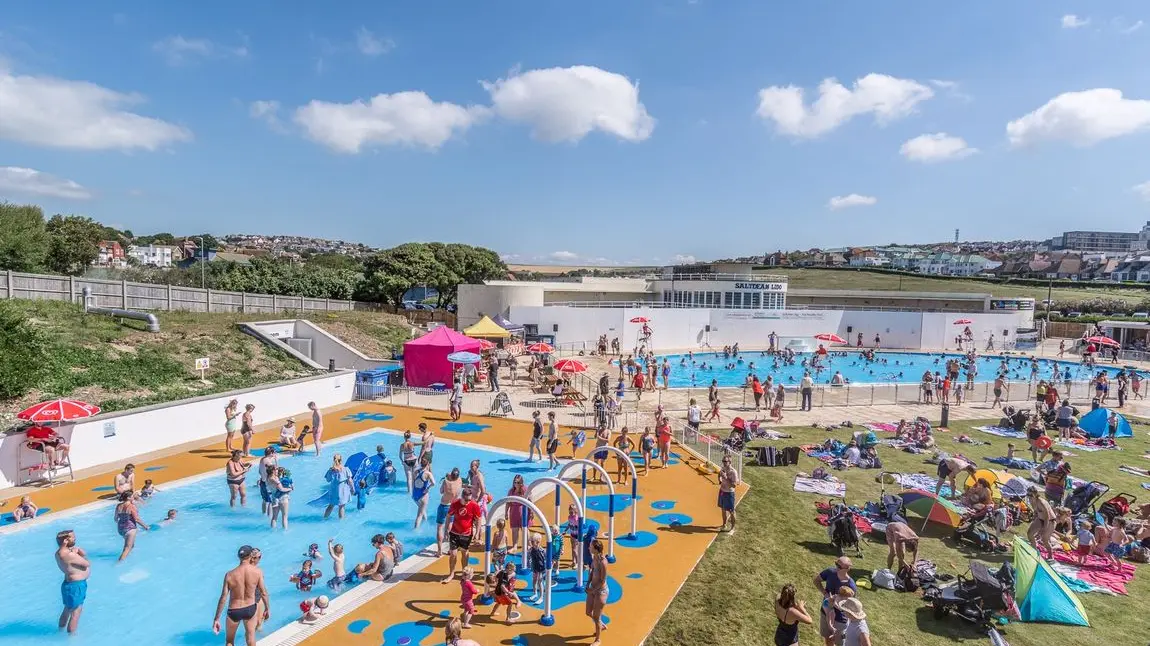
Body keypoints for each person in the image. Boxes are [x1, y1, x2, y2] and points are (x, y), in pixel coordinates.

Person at [213, 545, 269, 646]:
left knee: (230, 641)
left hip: (234, 611)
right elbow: (263, 592)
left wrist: (216, 618)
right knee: (251, 637)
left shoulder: (229, 575)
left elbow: (223, 597)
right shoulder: (257, 571)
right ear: (251, 555)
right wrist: (267, 609)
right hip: (250, 608)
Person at [813, 557, 855, 646]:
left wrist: (836, 603)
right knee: (828, 639)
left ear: (847, 569)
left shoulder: (851, 585)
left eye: (839, 566)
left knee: (840, 643)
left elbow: (851, 606)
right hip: (825, 612)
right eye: (836, 564)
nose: (836, 567)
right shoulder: (829, 572)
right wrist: (824, 593)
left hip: (840, 620)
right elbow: (816, 580)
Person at [55, 529, 89, 634]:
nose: (75, 538)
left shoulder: (58, 553)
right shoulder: (69, 555)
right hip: (76, 586)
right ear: (65, 540)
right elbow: (86, 563)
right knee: (76, 612)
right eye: (72, 537)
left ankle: (60, 632)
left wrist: (74, 552)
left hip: (68, 585)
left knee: (67, 609)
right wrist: (80, 554)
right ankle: (71, 639)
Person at [585, 538, 609, 646]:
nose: (588, 547)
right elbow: (592, 571)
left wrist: (592, 590)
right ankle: (601, 625)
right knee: (588, 612)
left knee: (596, 616)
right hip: (593, 589)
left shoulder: (603, 562)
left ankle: (598, 640)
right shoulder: (594, 557)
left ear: (595, 549)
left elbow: (602, 580)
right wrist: (587, 583)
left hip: (601, 591)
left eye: (590, 546)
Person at [436, 468, 464, 558]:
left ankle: (439, 551)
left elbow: (441, 491)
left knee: (440, 528)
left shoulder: (446, 482)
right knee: (449, 530)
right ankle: (449, 549)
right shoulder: (459, 481)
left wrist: (446, 478)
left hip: (444, 505)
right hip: (452, 506)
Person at [114, 490, 149, 561]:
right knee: (127, 548)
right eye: (132, 496)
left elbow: (115, 518)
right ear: (128, 498)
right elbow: (137, 519)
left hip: (120, 528)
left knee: (131, 545)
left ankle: (128, 559)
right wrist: (145, 526)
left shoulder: (118, 506)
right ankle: (118, 564)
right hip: (130, 528)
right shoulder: (131, 506)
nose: (134, 497)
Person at [1027, 488, 1055, 559]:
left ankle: (1050, 555)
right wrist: (1034, 516)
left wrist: (1043, 528)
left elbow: (1047, 516)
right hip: (1040, 519)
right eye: (1028, 494)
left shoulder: (1041, 502)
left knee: (1044, 540)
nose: (1029, 496)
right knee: (1029, 533)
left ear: (1036, 494)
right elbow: (1036, 512)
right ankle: (1034, 551)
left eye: (1031, 494)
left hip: (1050, 520)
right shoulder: (1031, 501)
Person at [323, 454, 353, 520]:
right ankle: (341, 522)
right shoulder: (346, 469)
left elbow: (328, 480)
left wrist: (330, 471)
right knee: (341, 506)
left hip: (333, 491)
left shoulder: (331, 470)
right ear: (341, 460)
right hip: (342, 491)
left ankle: (324, 518)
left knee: (331, 505)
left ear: (334, 460)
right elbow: (350, 481)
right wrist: (352, 489)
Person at [507, 474, 529, 550]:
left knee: (525, 528)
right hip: (514, 511)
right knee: (514, 529)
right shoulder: (511, 491)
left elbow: (530, 501)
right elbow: (508, 502)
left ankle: (528, 544)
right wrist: (506, 512)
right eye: (514, 482)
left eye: (517, 482)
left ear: (521, 483)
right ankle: (514, 545)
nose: (515, 484)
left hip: (523, 511)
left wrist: (531, 512)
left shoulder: (525, 490)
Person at [412, 455, 434, 529]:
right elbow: (433, 483)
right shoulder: (428, 474)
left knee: (422, 510)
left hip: (415, 495)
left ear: (420, 464)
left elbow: (413, 482)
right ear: (427, 464)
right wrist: (427, 488)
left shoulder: (415, 471)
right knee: (419, 515)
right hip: (423, 495)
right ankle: (416, 531)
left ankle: (425, 521)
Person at [718, 454, 739, 533]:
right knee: (723, 509)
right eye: (723, 461)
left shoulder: (733, 472)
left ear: (730, 462)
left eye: (725, 461)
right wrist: (719, 480)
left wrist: (726, 478)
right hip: (722, 491)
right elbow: (719, 474)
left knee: (731, 511)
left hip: (729, 494)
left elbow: (734, 485)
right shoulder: (723, 469)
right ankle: (724, 524)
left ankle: (732, 528)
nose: (723, 463)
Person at [257, 447, 279, 516]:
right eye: (274, 452)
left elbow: (260, 472)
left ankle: (263, 514)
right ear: (271, 453)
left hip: (262, 482)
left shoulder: (262, 459)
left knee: (264, 500)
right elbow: (276, 472)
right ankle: (269, 518)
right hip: (268, 483)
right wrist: (276, 460)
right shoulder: (269, 463)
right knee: (271, 502)